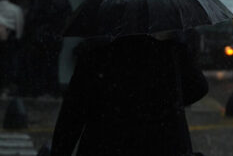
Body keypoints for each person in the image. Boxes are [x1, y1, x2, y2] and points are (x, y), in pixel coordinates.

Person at [50, 33, 208, 156]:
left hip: (104, 145)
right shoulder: (170, 53)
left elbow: (71, 117)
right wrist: (169, 105)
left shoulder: (96, 57)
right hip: (161, 145)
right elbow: (199, 87)